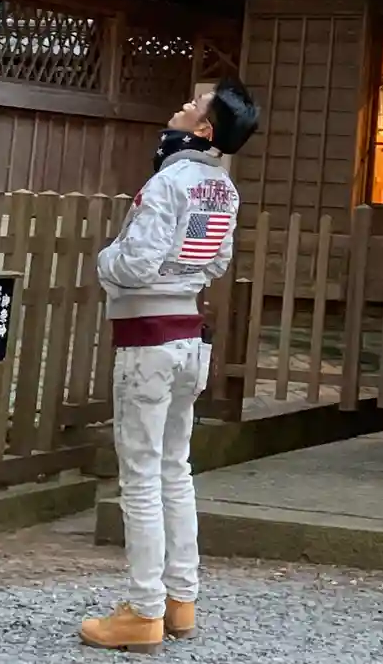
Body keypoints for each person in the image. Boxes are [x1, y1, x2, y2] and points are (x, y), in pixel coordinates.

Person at [80, 79, 259, 651]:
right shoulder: (223, 189)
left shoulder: (167, 181)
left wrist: (105, 258)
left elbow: (135, 263)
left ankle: (143, 609)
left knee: (139, 475)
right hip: (188, 334)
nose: (182, 105)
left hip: (147, 338)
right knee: (174, 468)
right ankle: (182, 597)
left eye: (194, 105)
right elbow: (219, 260)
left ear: (204, 128)